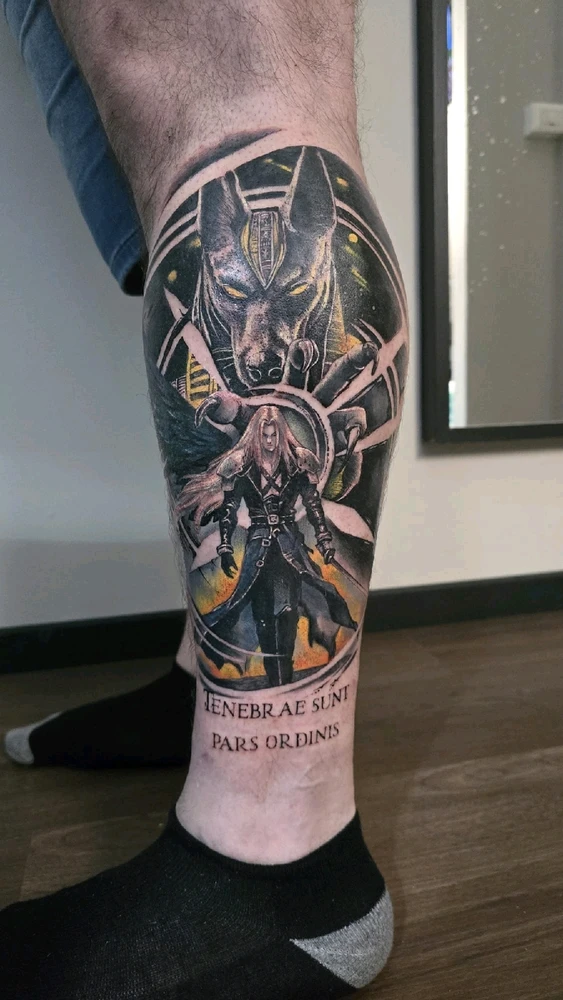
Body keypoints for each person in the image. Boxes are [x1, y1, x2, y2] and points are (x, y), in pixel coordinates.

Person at [0, 1, 409, 997]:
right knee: (152, 134)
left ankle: (280, 843)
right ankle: (206, 684)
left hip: (294, 533)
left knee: (229, 71)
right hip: (264, 522)